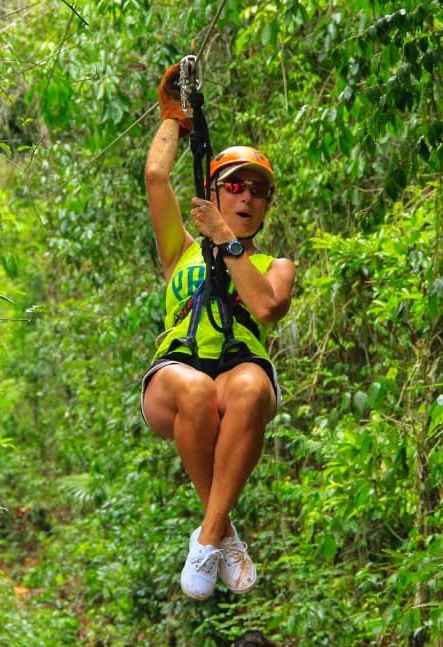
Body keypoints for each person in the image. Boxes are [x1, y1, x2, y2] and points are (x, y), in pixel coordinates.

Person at [141, 63, 296, 601]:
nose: (246, 197)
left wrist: (228, 242)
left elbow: (267, 307)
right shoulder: (181, 250)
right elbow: (157, 178)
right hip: (178, 378)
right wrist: (173, 121)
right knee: (195, 388)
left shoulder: (275, 264)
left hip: (237, 379)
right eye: (234, 186)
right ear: (215, 190)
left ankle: (210, 535)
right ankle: (222, 532)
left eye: (257, 191)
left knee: (252, 386)